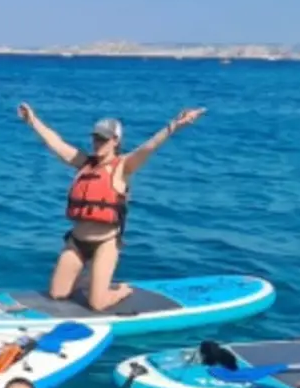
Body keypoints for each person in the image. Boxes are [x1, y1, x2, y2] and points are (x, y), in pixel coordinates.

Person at [16, 103, 207, 311]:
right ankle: (88, 278)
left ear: (115, 141)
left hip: (105, 243)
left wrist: (174, 126)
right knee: (57, 293)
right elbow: (56, 143)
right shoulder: (84, 163)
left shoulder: (124, 166)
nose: (97, 143)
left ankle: (121, 290)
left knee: (97, 304)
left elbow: (150, 146)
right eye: (96, 138)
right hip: (77, 242)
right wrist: (32, 121)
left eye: (103, 139)